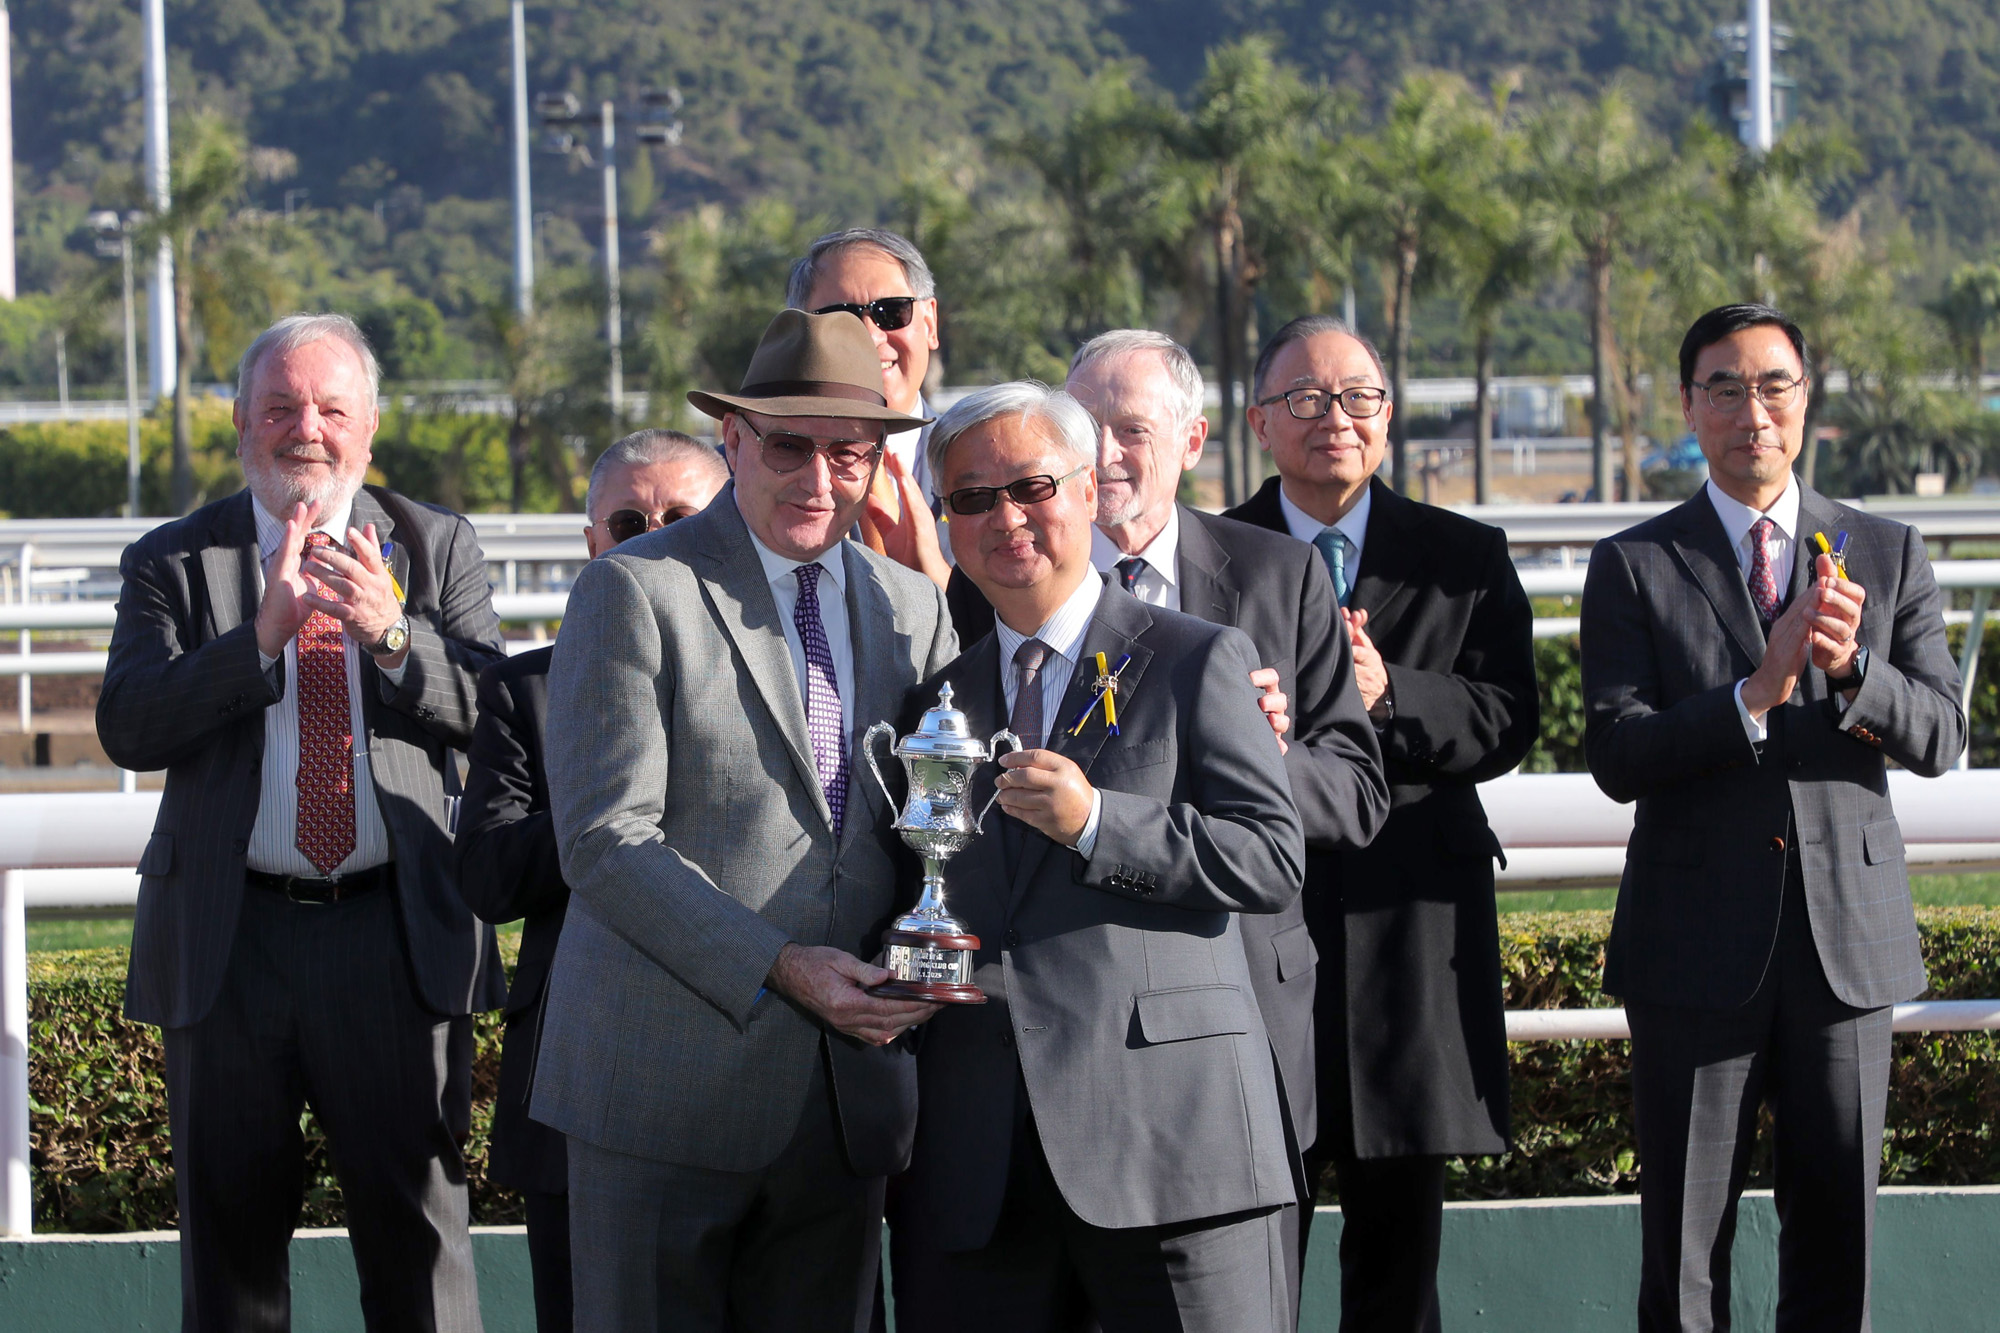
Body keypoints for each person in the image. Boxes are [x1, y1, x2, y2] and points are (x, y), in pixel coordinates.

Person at [534, 309, 958, 1331]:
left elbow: (938, 825)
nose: (819, 478)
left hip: (844, 1108)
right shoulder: (631, 588)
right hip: (657, 1098)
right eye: (789, 446)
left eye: (847, 453)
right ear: (733, 440)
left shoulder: (917, 606)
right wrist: (780, 963)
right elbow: (602, 839)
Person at [97, 312, 506, 1332]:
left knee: (420, 1254)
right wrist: (260, 642)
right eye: (280, 407)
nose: (304, 430)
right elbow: (129, 723)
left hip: (393, 938)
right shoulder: (173, 561)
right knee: (230, 1266)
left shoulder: (434, 544)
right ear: (241, 420)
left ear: (368, 428)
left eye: (330, 408)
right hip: (232, 944)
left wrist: (392, 634)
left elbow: (499, 718)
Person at [889, 381, 1307, 1333]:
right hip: (981, 1168)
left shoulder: (1198, 656)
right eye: (971, 498)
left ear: (1087, 490)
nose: (1006, 517)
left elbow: (1270, 857)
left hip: (1173, 1151)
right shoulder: (937, 706)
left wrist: (1096, 823)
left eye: (1031, 485)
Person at [1580, 303, 1964, 1331]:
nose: (1750, 409)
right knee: (1682, 1253)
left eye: (1772, 386)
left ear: (1803, 401)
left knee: (1836, 1245)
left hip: (1846, 948)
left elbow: (1938, 734)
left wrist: (1849, 670)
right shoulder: (1631, 564)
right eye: (1723, 387)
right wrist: (1754, 692)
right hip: (1688, 953)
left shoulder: (1883, 551)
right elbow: (1615, 754)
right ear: (1686, 407)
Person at [1228, 315, 1538, 1332]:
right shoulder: (1211, 554)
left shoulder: (1463, 555)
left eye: (1357, 398)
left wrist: (1390, 691)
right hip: (1255, 934)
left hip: (1411, 938)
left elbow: (1507, 718)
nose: (1334, 420)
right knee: (1245, 1251)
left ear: (1388, 419)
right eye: (1306, 401)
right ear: (1259, 420)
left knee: (1398, 1269)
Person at [453, 429, 728, 1333]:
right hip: (578, 1074)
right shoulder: (524, 688)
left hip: (746, 1057)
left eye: (680, 516)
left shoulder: (780, 677)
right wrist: (611, 818)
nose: (651, 534)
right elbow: (488, 872)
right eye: (627, 518)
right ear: (592, 542)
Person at [789, 228, 947, 561]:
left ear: (930, 324)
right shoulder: (741, 473)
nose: (869, 337)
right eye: (841, 319)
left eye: (892, 312)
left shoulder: (989, 468)